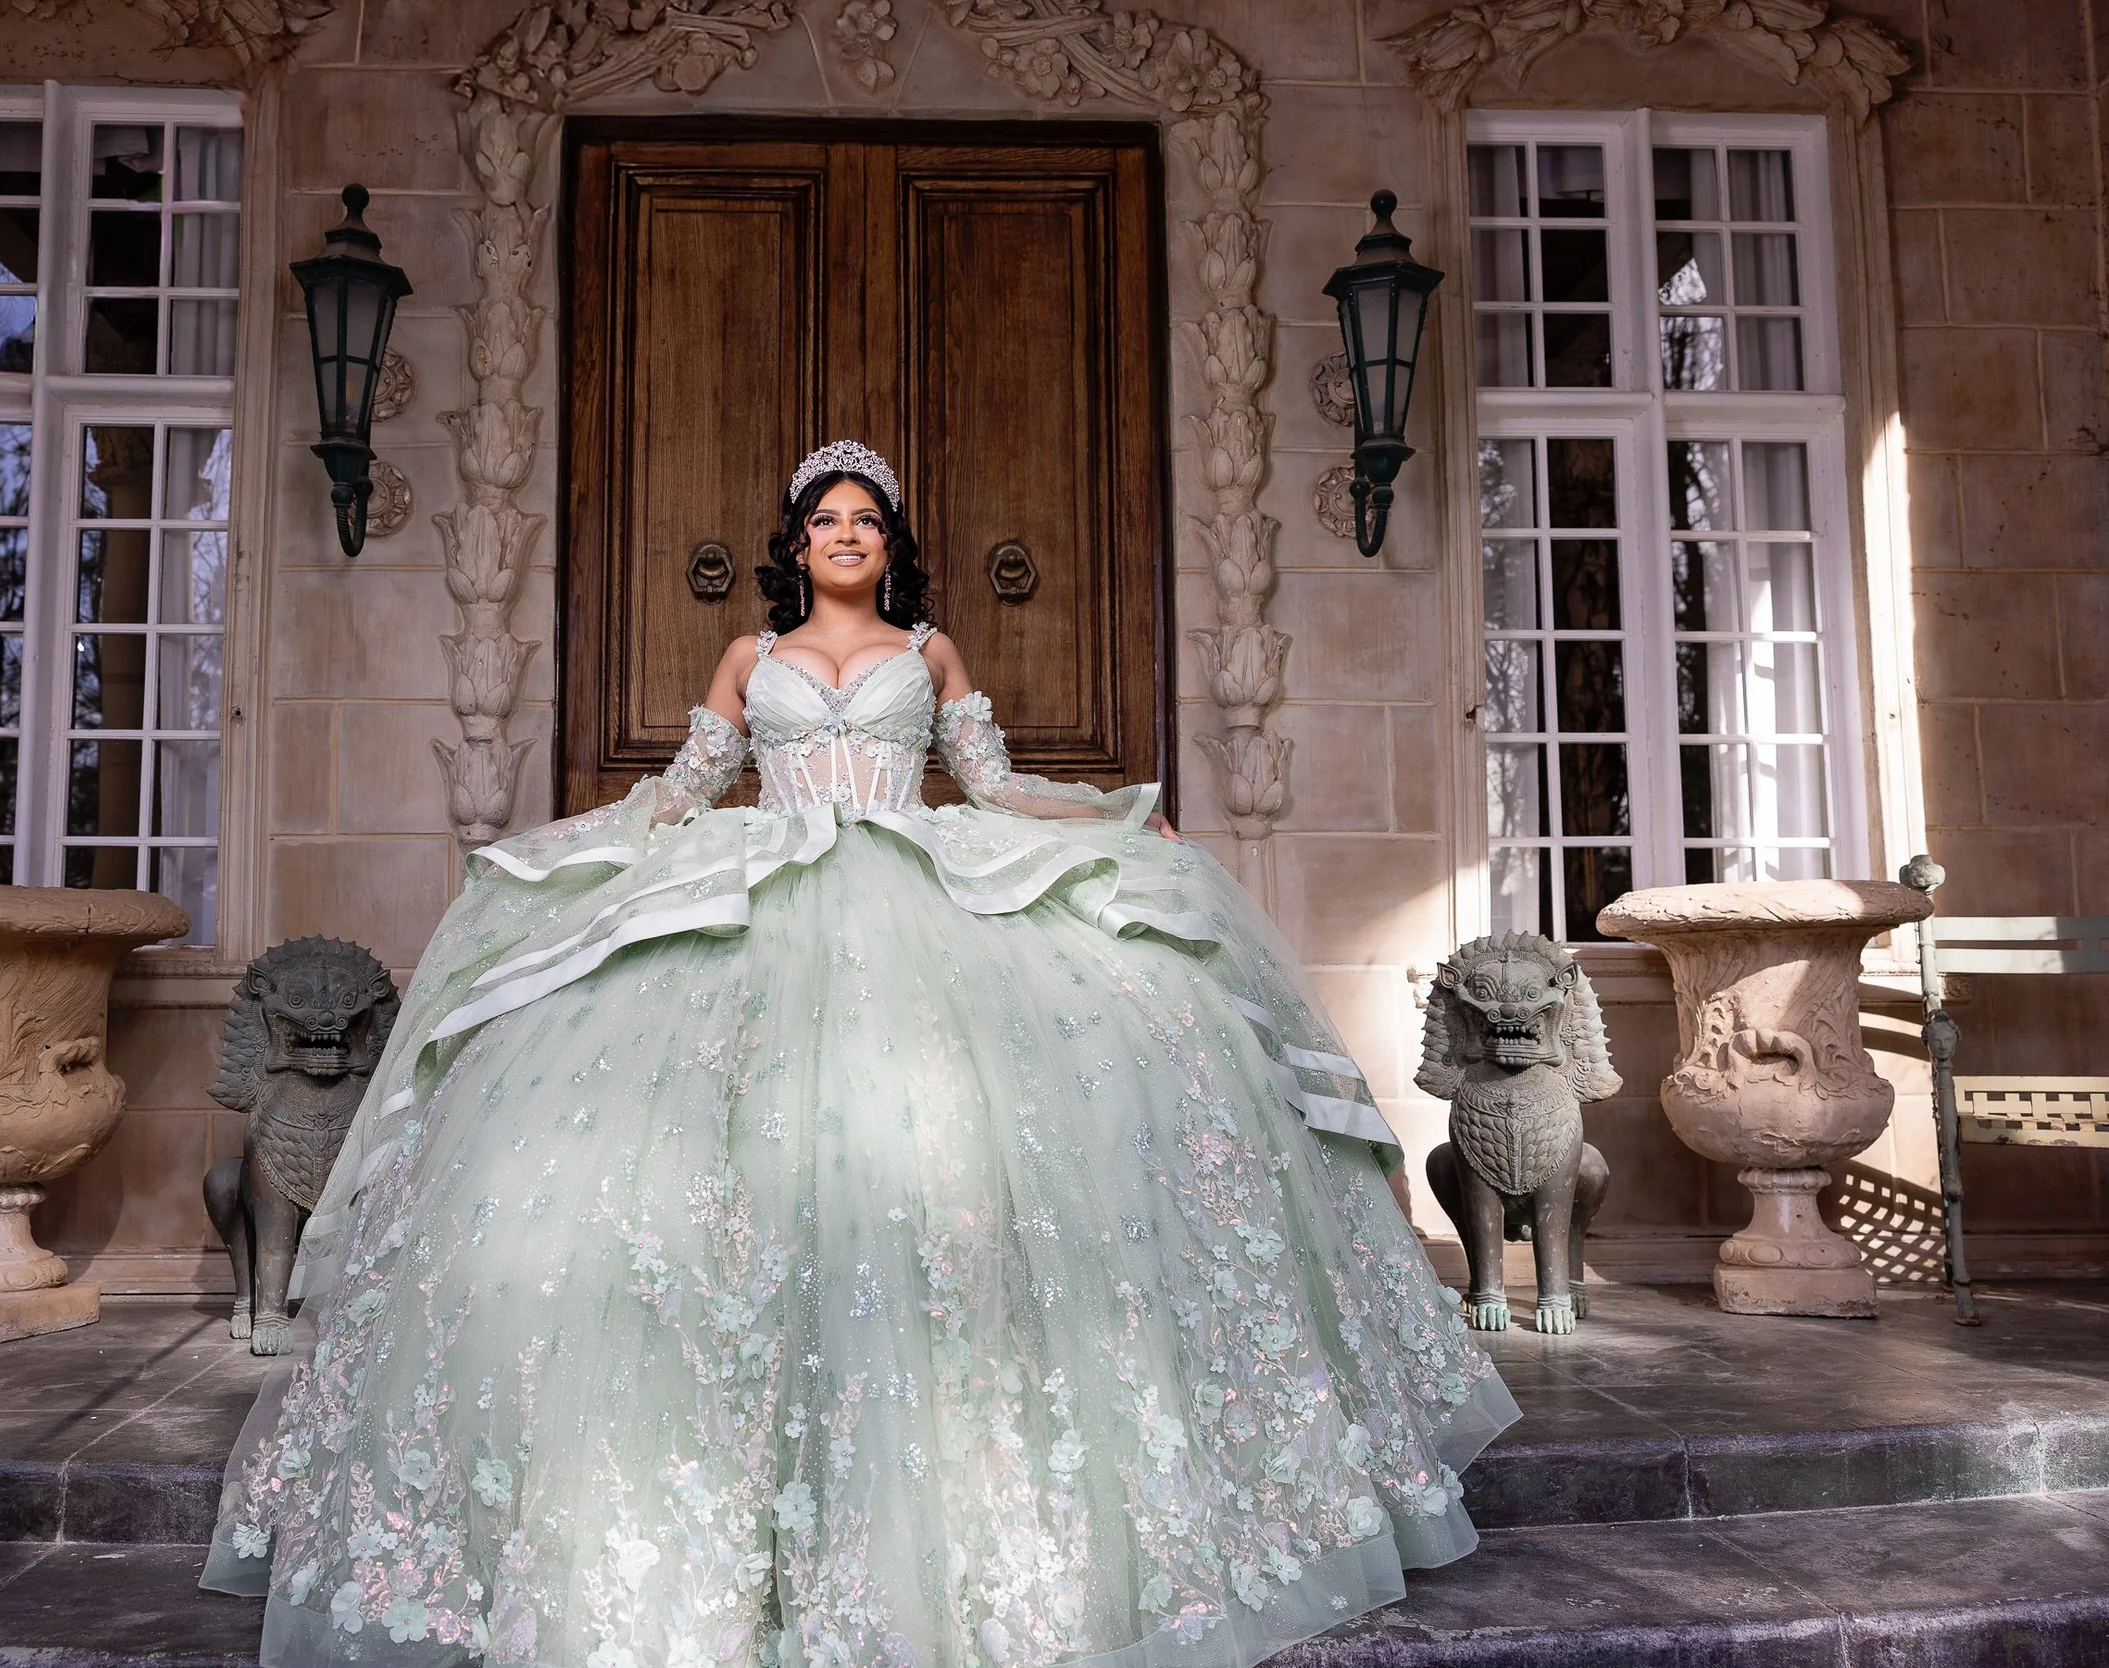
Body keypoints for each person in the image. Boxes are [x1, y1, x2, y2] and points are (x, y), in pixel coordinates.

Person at [202, 441, 1516, 1668]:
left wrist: (1118, 825)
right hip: (762, 884)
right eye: (825, 520)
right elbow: (680, 792)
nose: (845, 535)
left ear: (891, 546)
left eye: (865, 520)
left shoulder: (930, 652)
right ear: (795, 542)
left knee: (953, 1157)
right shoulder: (745, 654)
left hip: (907, 888)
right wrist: (564, 856)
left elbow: (991, 789)